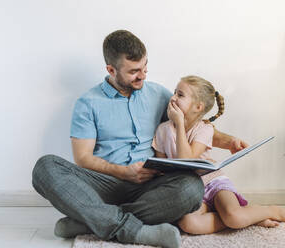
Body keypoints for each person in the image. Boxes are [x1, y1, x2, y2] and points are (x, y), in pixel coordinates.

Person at [31, 30, 247, 248]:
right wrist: (123, 172)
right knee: (45, 167)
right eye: (134, 71)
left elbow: (194, 127)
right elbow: (83, 158)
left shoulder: (160, 95)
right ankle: (133, 230)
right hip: (103, 184)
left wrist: (229, 142)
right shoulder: (88, 103)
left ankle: (90, 221)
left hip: (149, 186)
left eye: (145, 68)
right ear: (111, 70)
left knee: (191, 187)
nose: (142, 75)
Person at [152, 75, 285, 235]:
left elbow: (186, 159)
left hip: (213, 182)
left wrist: (179, 124)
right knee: (188, 224)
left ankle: (273, 211)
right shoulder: (163, 130)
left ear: (198, 107)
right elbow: (163, 170)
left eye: (180, 95)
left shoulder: (204, 129)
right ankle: (249, 218)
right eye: (175, 92)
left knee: (234, 216)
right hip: (190, 191)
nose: (173, 98)